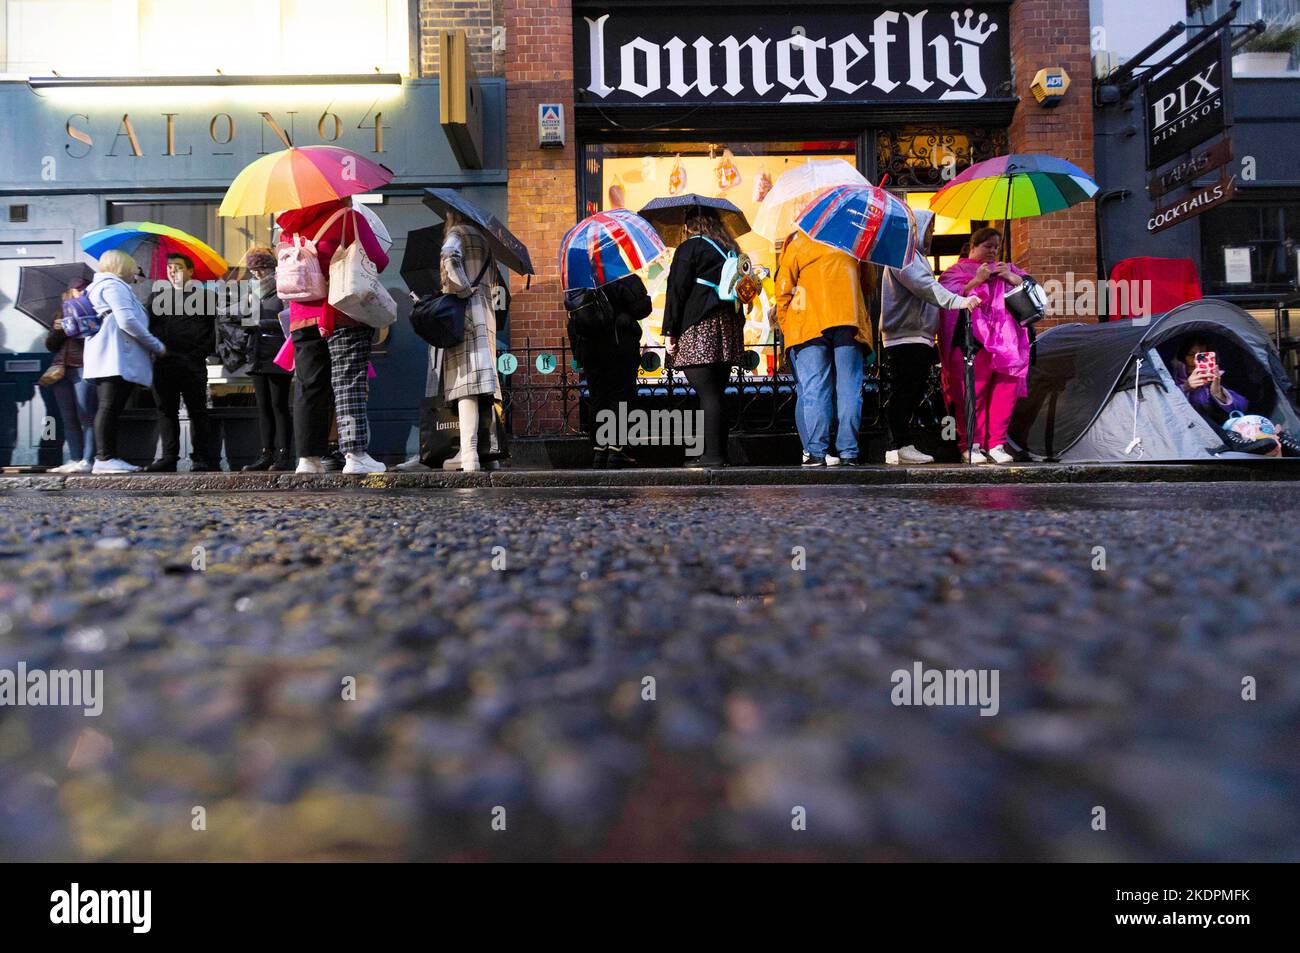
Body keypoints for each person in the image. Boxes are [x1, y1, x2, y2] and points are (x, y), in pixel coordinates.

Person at [277, 198, 389, 475]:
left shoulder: (288, 227)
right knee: (348, 382)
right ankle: (355, 454)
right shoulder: (348, 218)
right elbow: (378, 260)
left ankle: (308, 458)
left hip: (301, 316)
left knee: (307, 387)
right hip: (343, 310)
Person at [880, 210, 980, 465]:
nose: (932, 234)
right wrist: (959, 301)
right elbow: (926, 288)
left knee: (911, 389)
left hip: (915, 335)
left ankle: (899, 445)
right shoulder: (905, 255)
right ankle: (900, 445)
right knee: (907, 390)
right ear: (918, 228)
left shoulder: (914, 256)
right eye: (930, 229)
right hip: (907, 336)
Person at [774, 229, 875, 467]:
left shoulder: (800, 242)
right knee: (849, 389)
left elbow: (783, 289)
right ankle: (849, 451)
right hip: (848, 320)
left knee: (814, 389)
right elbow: (869, 284)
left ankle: (817, 453)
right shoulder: (855, 242)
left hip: (808, 324)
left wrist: (788, 325)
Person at [937, 227, 1029, 465]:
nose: (993, 251)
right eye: (987, 246)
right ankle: (971, 444)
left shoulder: (1007, 270)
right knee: (971, 394)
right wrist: (977, 280)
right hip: (969, 343)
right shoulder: (955, 271)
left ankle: (996, 443)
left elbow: (1030, 291)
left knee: (1004, 394)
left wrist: (1010, 277)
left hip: (1005, 344)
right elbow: (947, 297)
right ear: (972, 247)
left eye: (996, 247)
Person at [662, 210, 745, 468]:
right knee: (715, 392)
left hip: (700, 325)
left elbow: (676, 291)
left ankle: (713, 456)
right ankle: (717, 453)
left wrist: (670, 331)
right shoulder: (728, 248)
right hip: (726, 326)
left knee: (708, 392)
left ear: (689, 226)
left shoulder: (690, 248)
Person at [84, 250, 167, 474]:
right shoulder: (114, 286)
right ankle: (105, 458)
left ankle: (106, 456)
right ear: (123, 267)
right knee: (109, 407)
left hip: (108, 356)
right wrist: (155, 344)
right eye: (133, 268)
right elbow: (127, 320)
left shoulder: (100, 285)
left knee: (108, 407)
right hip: (116, 357)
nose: (136, 272)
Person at [438, 209, 502, 473]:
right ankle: (487, 454)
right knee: (483, 387)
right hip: (485, 316)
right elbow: (496, 282)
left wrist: (461, 288)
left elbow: (450, 256)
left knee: (466, 386)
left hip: (463, 315)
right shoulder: (485, 242)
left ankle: (469, 455)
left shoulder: (456, 234)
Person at [567, 273, 652, 469]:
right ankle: (617, 451)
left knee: (598, 397)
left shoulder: (579, 278)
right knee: (620, 397)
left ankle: (599, 450)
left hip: (590, 349)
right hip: (618, 344)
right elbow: (642, 307)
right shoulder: (619, 274)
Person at [146, 253, 217, 472]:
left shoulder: (206, 297)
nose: (172, 271)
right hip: (164, 363)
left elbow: (213, 331)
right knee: (166, 411)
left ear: (189, 271)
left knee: (198, 411)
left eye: (177, 267)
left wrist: (199, 353)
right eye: (169, 267)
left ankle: (201, 458)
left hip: (192, 363)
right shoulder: (157, 297)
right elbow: (147, 327)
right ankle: (169, 457)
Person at [240, 246, 293, 471]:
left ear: (272, 268)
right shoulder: (252, 292)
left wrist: (260, 323)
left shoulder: (283, 290)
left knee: (279, 405)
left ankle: (284, 454)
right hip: (257, 354)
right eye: (253, 270)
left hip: (277, 354)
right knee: (263, 407)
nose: (257, 274)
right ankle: (266, 453)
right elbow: (244, 319)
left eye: (260, 269)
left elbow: (289, 322)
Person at [44, 281, 99, 473]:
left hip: (82, 367)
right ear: (69, 292)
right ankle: (75, 458)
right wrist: (59, 330)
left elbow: (94, 342)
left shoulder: (94, 311)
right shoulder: (59, 313)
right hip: (61, 370)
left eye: (84, 288)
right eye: (77, 289)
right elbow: (51, 346)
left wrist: (77, 326)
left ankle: (88, 459)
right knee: (68, 417)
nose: (81, 292)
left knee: (86, 415)